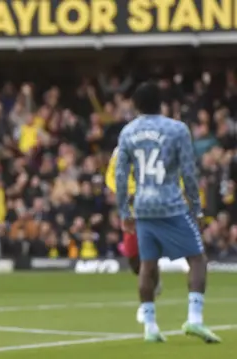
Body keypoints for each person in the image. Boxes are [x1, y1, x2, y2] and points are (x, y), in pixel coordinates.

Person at [115, 81, 221, 344]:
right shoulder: (177, 129)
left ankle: (150, 326)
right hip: (171, 204)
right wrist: (196, 208)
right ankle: (195, 319)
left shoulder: (127, 132)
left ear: (136, 105)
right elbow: (189, 173)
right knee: (197, 259)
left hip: (143, 207)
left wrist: (124, 212)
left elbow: (120, 176)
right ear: (161, 104)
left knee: (148, 265)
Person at [106, 147, 163, 324]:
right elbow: (111, 176)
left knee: (146, 255)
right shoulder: (121, 148)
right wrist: (125, 192)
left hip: (153, 208)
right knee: (132, 257)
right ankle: (155, 281)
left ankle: (146, 306)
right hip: (131, 211)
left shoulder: (157, 146)